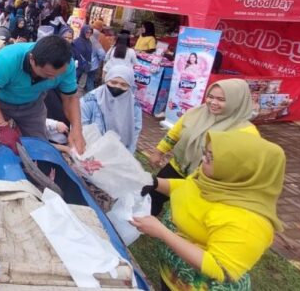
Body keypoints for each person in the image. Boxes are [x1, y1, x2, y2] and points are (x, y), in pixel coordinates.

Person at [133, 131, 285, 291]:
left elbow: (219, 268)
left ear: (239, 169)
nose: (203, 160)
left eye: (211, 157)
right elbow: (186, 189)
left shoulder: (249, 222)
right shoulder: (213, 181)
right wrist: (155, 182)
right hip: (175, 277)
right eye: (205, 153)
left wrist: (162, 232)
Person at [148, 79, 257, 216]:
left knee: (185, 212)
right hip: (178, 166)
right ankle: (143, 222)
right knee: (154, 194)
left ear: (237, 101)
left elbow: (243, 168)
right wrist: (159, 152)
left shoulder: (247, 132)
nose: (213, 102)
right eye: (210, 96)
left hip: (205, 181)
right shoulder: (195, 113)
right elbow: (175, 133)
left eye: (221, 99)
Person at [0, 35, 86, 159]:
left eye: (57, 75)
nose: (52, 80)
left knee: (40, 146)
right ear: (32, 59)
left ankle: (34, 174)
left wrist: (77, 128)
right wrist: (2, 126)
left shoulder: (68, 65)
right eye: (47, 74)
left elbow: (70, 98)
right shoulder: (8, 59)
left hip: (32, 104)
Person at [80, 66, 142, 153]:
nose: (117, 86)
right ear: (107, 80)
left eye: (123, 84)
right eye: (113, 82)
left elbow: (135, 130)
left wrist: (128, 154)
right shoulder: (90, 100)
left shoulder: (134, 106)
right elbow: (81, 126)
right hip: (91, 150)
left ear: (129, 86)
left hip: (119, 152)